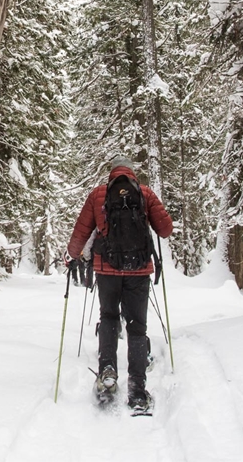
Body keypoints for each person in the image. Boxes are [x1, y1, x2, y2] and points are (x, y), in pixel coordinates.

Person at [66, 155, 173, 411]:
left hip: (107, 269)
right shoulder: (144, 193)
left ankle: (108, 372)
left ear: (111, 173)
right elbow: (166, 229)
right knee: (137, 328)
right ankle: (137, 390)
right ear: (132, 173)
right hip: (139, 270)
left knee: (109, 317)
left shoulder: (98, 195)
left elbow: (82, 231)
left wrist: (72, 255)